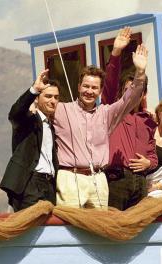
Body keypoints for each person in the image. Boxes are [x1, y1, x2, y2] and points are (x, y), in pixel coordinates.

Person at [53, 44, 148, 209]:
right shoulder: (60, 110)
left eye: (94, 87)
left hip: (98, 178)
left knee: (100, 230)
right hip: (70, 177)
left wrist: (140, 72)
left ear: (100, 90)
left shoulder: (107, 113)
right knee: (70, 228)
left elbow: (129, 100)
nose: (89, 91)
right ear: (78, 87)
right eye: (86, 86)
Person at [101, 27, 159, 210]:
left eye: (136, 91)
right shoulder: (113, 112)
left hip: (141, 182)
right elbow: (109, 82)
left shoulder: (148, 121)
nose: (131, 94)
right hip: (116, 179)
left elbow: (153, 155)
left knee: (138, 230)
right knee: (113, 228)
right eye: (127, 90)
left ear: (143, 94)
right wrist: (116, 52)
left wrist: (149, 163)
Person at [0, 69, 60, 212]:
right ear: (37, 99)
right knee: (30, 229)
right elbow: (15, 113)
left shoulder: (51, 126)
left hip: (49, 185)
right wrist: (33, 90)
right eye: (48, 96)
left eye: (56, 97)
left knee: (49, 230)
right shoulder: (28, 120)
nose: (53, 101)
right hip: (30, 183)